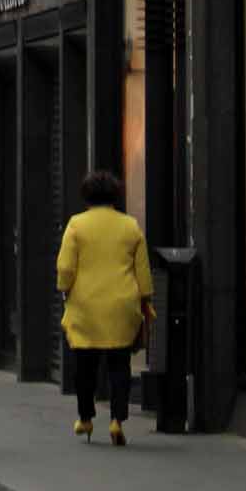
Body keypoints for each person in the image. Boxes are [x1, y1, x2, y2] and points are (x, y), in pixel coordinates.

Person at [56, 168, 155, 447]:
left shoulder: (76, 225)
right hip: (122, 304)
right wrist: (146, 298)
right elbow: (143, 272)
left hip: (86, 305)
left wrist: (65, 288)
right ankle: (117, 420)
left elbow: (65, 267)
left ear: (86, 196)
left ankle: (86, 418)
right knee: (119, 364)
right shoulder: (130, 226)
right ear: (115, 196)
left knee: (85, 366)